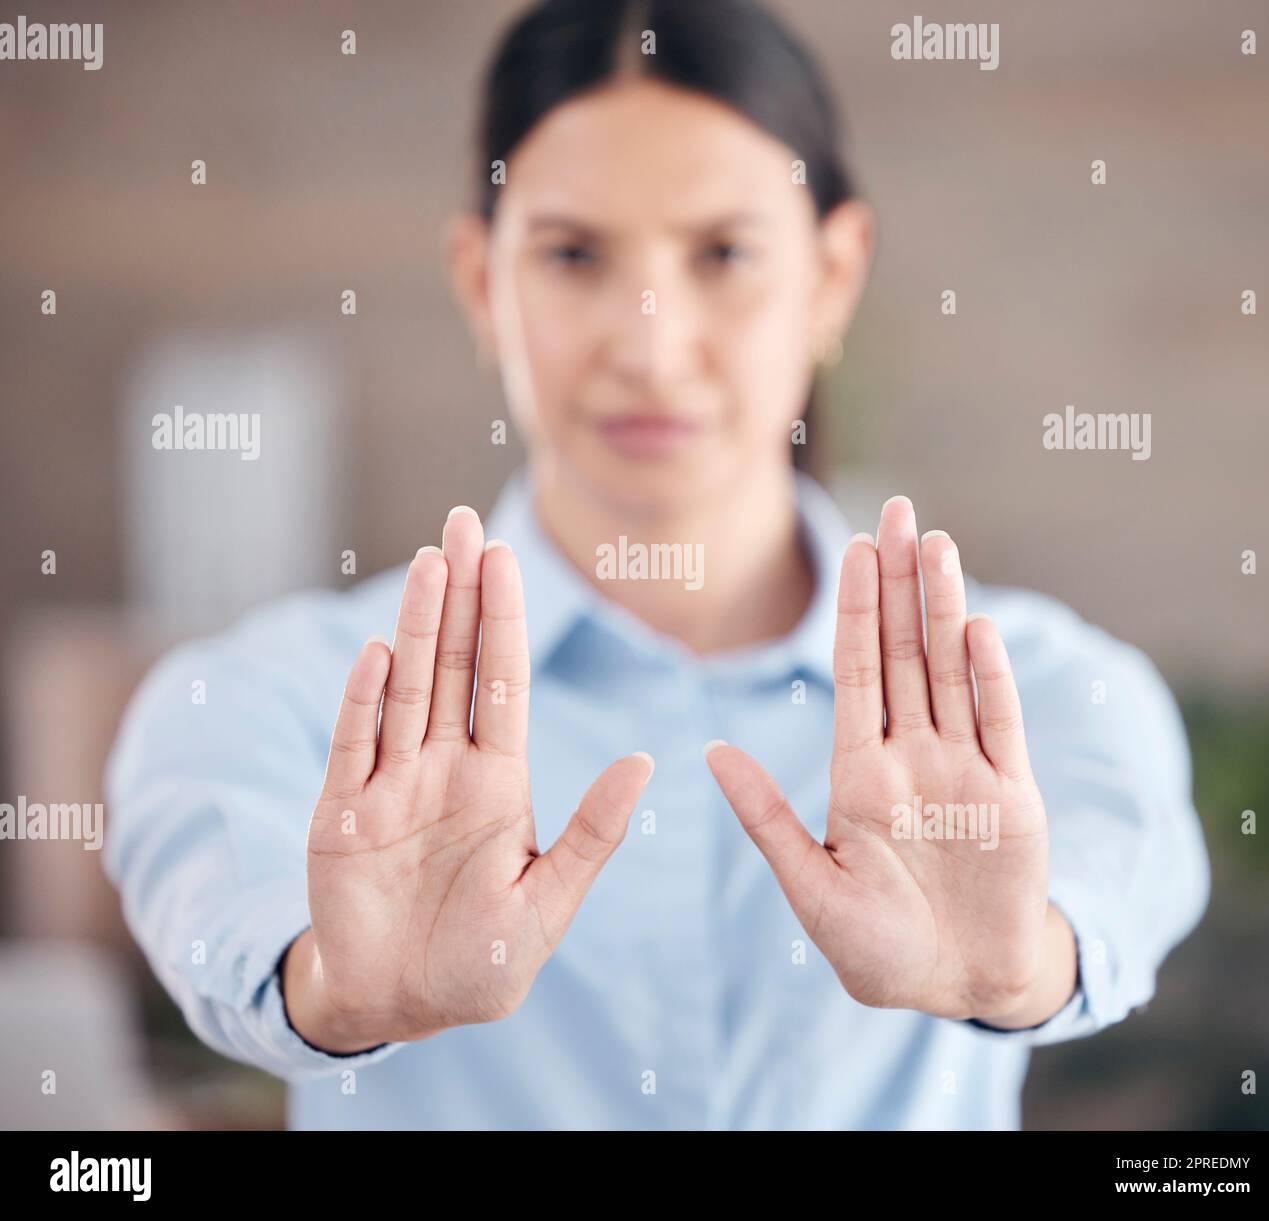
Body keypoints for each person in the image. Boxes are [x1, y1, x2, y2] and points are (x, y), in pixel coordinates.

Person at [104, 0, 1210, 1130]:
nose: (647, 342)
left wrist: (1019, 972)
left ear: (832, 277)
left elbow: (1123, 868)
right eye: (574, 254)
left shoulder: (1038, 694)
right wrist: (334, 994)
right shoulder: (280, 695)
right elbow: (204, 873)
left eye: (723, 253)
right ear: (482, 281)